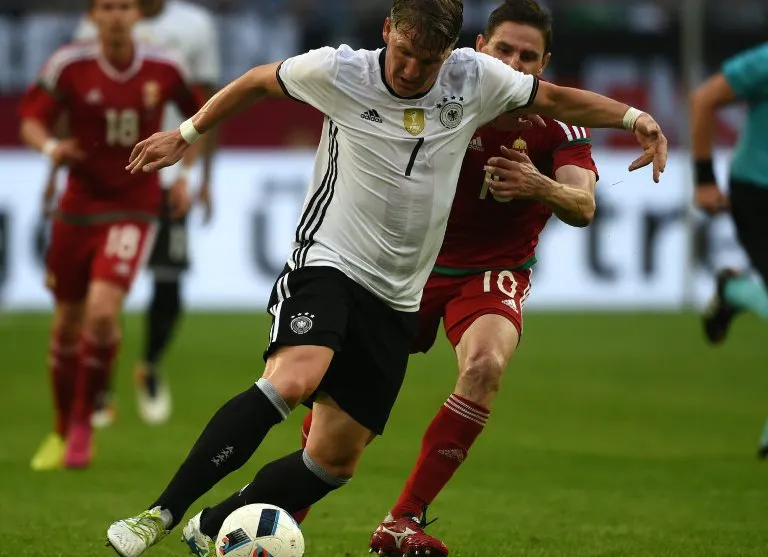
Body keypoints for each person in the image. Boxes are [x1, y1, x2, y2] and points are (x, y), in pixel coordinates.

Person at [104, 0, 667, 555]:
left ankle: (211, 524)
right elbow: (257, 81)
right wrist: (185, 134)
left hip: (398, 294)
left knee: (333, 462)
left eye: (428, 60)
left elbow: (560, 100)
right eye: (403, 53)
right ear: (386, 31)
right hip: (330, 261)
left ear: (450, 53)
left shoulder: (477, 79)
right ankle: (159, 514)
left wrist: (635, 119)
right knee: (292, 378)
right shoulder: (340, 71)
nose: (411, 70)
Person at [291, 1, 597, 554]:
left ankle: (403, 519)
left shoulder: (557, 124)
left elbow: (583, 204)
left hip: (491, 271)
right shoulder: (443, 93)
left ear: (545, 63)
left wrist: (541, 186)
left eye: (529, 57)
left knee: (485, 365)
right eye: (504, 50)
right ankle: (287, 508)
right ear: (479, 49)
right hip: (407, 267)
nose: (515, 64)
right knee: (336, 399)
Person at [20, 0, 200, 471]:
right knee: (66, 323)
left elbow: (199, 118)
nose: (117, 15)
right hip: (78, 207)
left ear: (137, 15)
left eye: (124, 6)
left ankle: (85, 420)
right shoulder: (69, 65)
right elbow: (32, 119)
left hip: (133, 204)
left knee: (101, 313)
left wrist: (185, 176)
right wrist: (52, 149)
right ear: (94, 16)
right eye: (107, 7)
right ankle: (61, 427)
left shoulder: (166, 65)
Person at [68, 0, 220, 427]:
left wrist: (197, 177)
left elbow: (209, 108)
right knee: (102, 288)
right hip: (111, 180)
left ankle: (150, 364)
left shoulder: (195, 25)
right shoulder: (95, 23)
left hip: (170, 176)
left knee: (168, 280)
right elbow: (74, 104)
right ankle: (101, 381)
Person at [689, 41, 768, 457]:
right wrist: (705, 179)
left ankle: (734, 292)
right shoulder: (764, 62)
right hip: (758, 193)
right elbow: (705, 98)